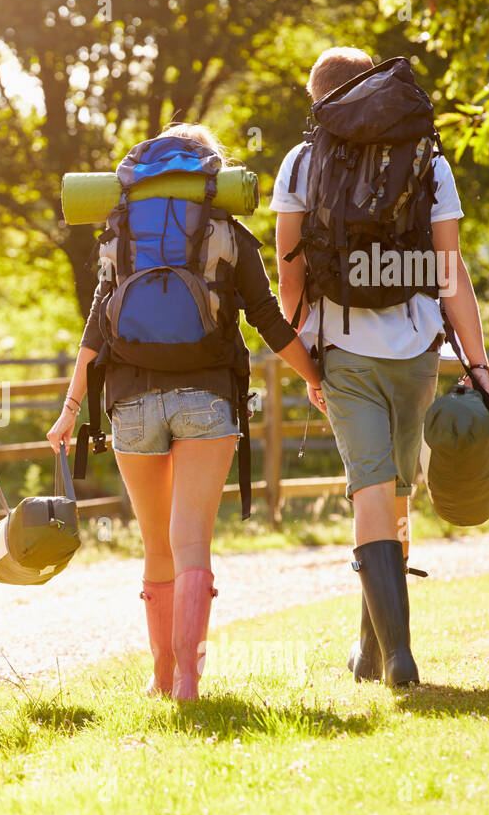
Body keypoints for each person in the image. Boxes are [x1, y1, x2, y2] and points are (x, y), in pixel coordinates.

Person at [48, 123, 323, 701]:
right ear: (211, 176)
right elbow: (270, 324)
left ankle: (160, 677)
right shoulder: (228, 230)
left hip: (131, 401)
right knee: (192, 539)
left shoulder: (120, 230)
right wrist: (317, 378)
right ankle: (190, 684)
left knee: (157, 545)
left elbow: (96, 328)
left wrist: (71, 407)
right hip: (208, 397)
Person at [272, 47, 489, 687]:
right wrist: (477, 365)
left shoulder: (303, 159)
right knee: (398, 492)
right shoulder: (428, 158)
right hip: (418, 349)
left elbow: (290, 275)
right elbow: (450, 273)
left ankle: (394, 655)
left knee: (370, 489)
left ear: (319, 98)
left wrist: (303, 357)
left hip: (342, 351)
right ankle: (375, 651)